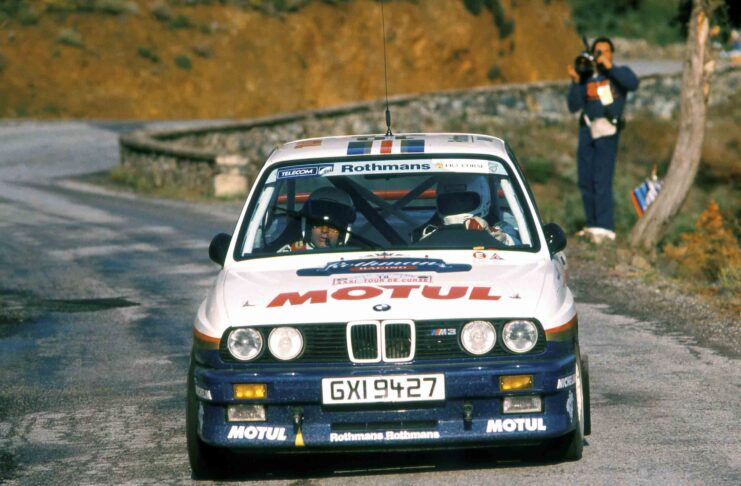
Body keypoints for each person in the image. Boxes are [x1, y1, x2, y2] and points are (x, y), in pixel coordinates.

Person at [567, 36, 639, 243]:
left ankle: (605, 227)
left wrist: (610, 67)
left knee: (602, 179)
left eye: (605, 51)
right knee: (585, 179)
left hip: (607, 130)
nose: (601, 55)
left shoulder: (618, 73)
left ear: (611, 54)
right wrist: (576, 81)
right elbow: (573, 105)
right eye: (597, 52)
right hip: (587, 129)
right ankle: (592, 224)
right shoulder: (587, 76)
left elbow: (633, 83)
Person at [414, 174, 518, 245]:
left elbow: (518, 245)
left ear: (484, 198)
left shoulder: (500, 227)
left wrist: (503, 238)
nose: (455, 205)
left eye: (463, 200)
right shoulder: (429, 230)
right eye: (449, 201)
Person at [278, 186, 356, 252]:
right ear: (307, 228)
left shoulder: (356, 255)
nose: (324, 230)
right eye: (318, 224)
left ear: (343, 231)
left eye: (332, 225)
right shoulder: (290, 255)